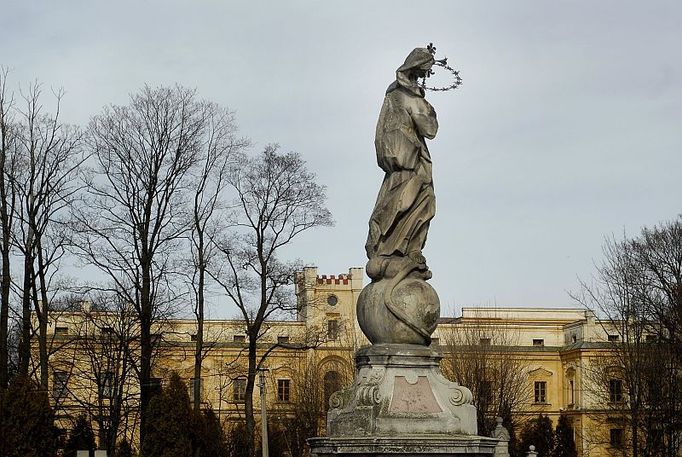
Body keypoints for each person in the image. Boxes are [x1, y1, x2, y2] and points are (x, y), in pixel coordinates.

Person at [366, 47, 439, 282]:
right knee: (414, 204)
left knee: (414, 205)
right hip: (410, 165)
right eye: (422, 72)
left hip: (406, 164)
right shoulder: (408, 98)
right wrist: (428, 108)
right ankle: (399, 249)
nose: (423, 78)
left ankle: (403, 248)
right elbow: (430, 130)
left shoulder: (393, 95)